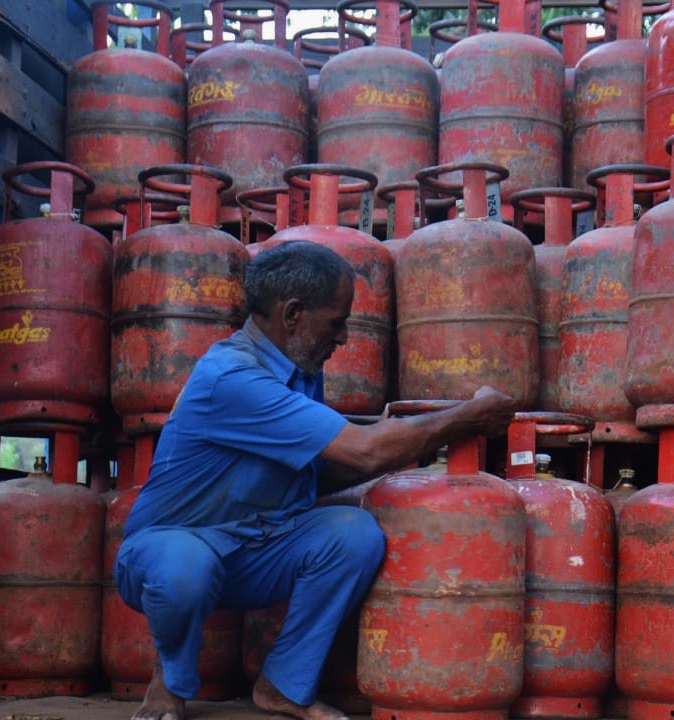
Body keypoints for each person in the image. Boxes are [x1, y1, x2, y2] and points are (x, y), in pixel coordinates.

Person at [115, 241, 516, 720]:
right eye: (336, 322)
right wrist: (468, 415)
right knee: (185, 567)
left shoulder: (299, 369)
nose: (344, 337)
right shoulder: (232, 377)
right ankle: (170, 686)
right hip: (167, 551)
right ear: (292, 315)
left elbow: (324, 467)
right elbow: (364, 451)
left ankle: (283, 685)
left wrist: (408, 445)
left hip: (252, 551)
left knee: (353, 534)